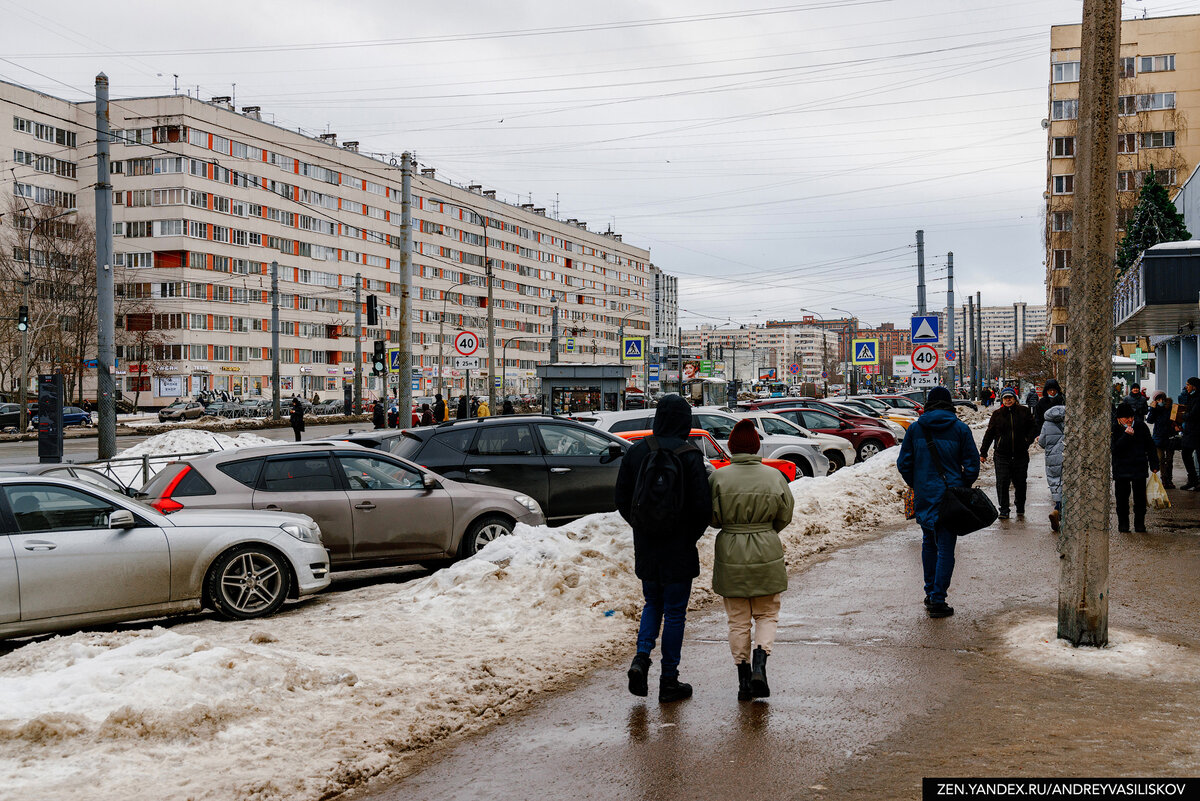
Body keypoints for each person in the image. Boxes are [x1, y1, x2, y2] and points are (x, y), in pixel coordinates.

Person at [614, 394, 712, 704]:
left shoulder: (638, 452)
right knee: (674, 613)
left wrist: (642, 526)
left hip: (647, 545)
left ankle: (641, 658)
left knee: (652, 602)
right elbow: (702, 508)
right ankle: (669, 680)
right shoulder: (690, 455)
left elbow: (621, 499)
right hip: (679, 547)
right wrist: (687, 536)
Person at [709, 419, 794, 701]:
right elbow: (785, 514)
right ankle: (760, 661)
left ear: (731, 447)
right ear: (757, 447)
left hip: (731, 549)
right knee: (767, 612)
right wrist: (766, 532)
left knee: (737, 620)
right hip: (766, 549)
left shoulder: (719, 478)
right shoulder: (774, 476)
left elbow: (712, 518)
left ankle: (744, 680)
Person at [896, 386, 980, 619]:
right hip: (951, 497)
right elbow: (972, 463)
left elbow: (903, 463)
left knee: (928, 543)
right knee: (945, 547)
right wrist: (962, 485)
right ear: (949, 404)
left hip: (925, 495)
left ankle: (929, 591)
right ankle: (938, 598)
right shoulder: (961, 428)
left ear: (928, 404)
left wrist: (918, 483)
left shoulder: (915, 429)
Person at [979, 387, 1037, 520]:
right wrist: (983, 452)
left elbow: (1034, 427)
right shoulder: (997, 415)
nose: (1008, 400)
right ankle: (1004, 509)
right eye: (1005, 398)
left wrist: (1027, 440)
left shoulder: (1024, 412)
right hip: (1002, 455)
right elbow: (989, 434)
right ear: (1002, 400)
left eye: (1010, 397)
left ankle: (1020, 506)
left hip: (1020, 454)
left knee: (1020, 482)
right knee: (1002, 482)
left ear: (1015, 399)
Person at [1112, 401, 1159, 533]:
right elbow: (1114, 449)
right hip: (1121, 469)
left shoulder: (1141, 426)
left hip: (1139, 467)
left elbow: (1150, 446)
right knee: (1122, 499)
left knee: (1139, 499)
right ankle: (1123, 525)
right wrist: (1126, 435)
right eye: (1126, 418)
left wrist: (1154, 464)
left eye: (1131, 417)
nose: (1129, 420)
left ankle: (1139, 524)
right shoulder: (1115, 428)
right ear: (1118, 418)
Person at [1041, 404, 1066, 532]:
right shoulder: (1071, 421)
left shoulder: (1047, 423)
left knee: (1056, 483)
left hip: (1052, 458)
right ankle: (1062, 512)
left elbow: (1042, 442)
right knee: (1069, 485)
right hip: (1068, 455)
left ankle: (1057, 508)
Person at [1146, 391, 1177, 489]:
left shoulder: (1170, 408)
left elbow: (1175, 419)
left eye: (1162, 399)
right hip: (1158, 437)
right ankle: (1164, 478)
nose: (1160, 401)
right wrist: (1152, 409)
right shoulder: (1155, 410)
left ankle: (1169, 479)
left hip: (1169, 437)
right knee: (1160, 459)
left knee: (1169, 459)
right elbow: (1149, 420)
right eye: (1158, 400)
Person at [1180, 378, 1200, 491]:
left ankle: (1194, 481)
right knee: (1186, 454)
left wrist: (1184, 416)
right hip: (1190, 431)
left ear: (1194, 386)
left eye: (1188, 385)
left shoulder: (1198, 399)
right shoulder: (1191, 397)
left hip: (1196, 432)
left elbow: (1193, 414)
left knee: (1189, 454)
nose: (1186, 387)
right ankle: (1193, 480)